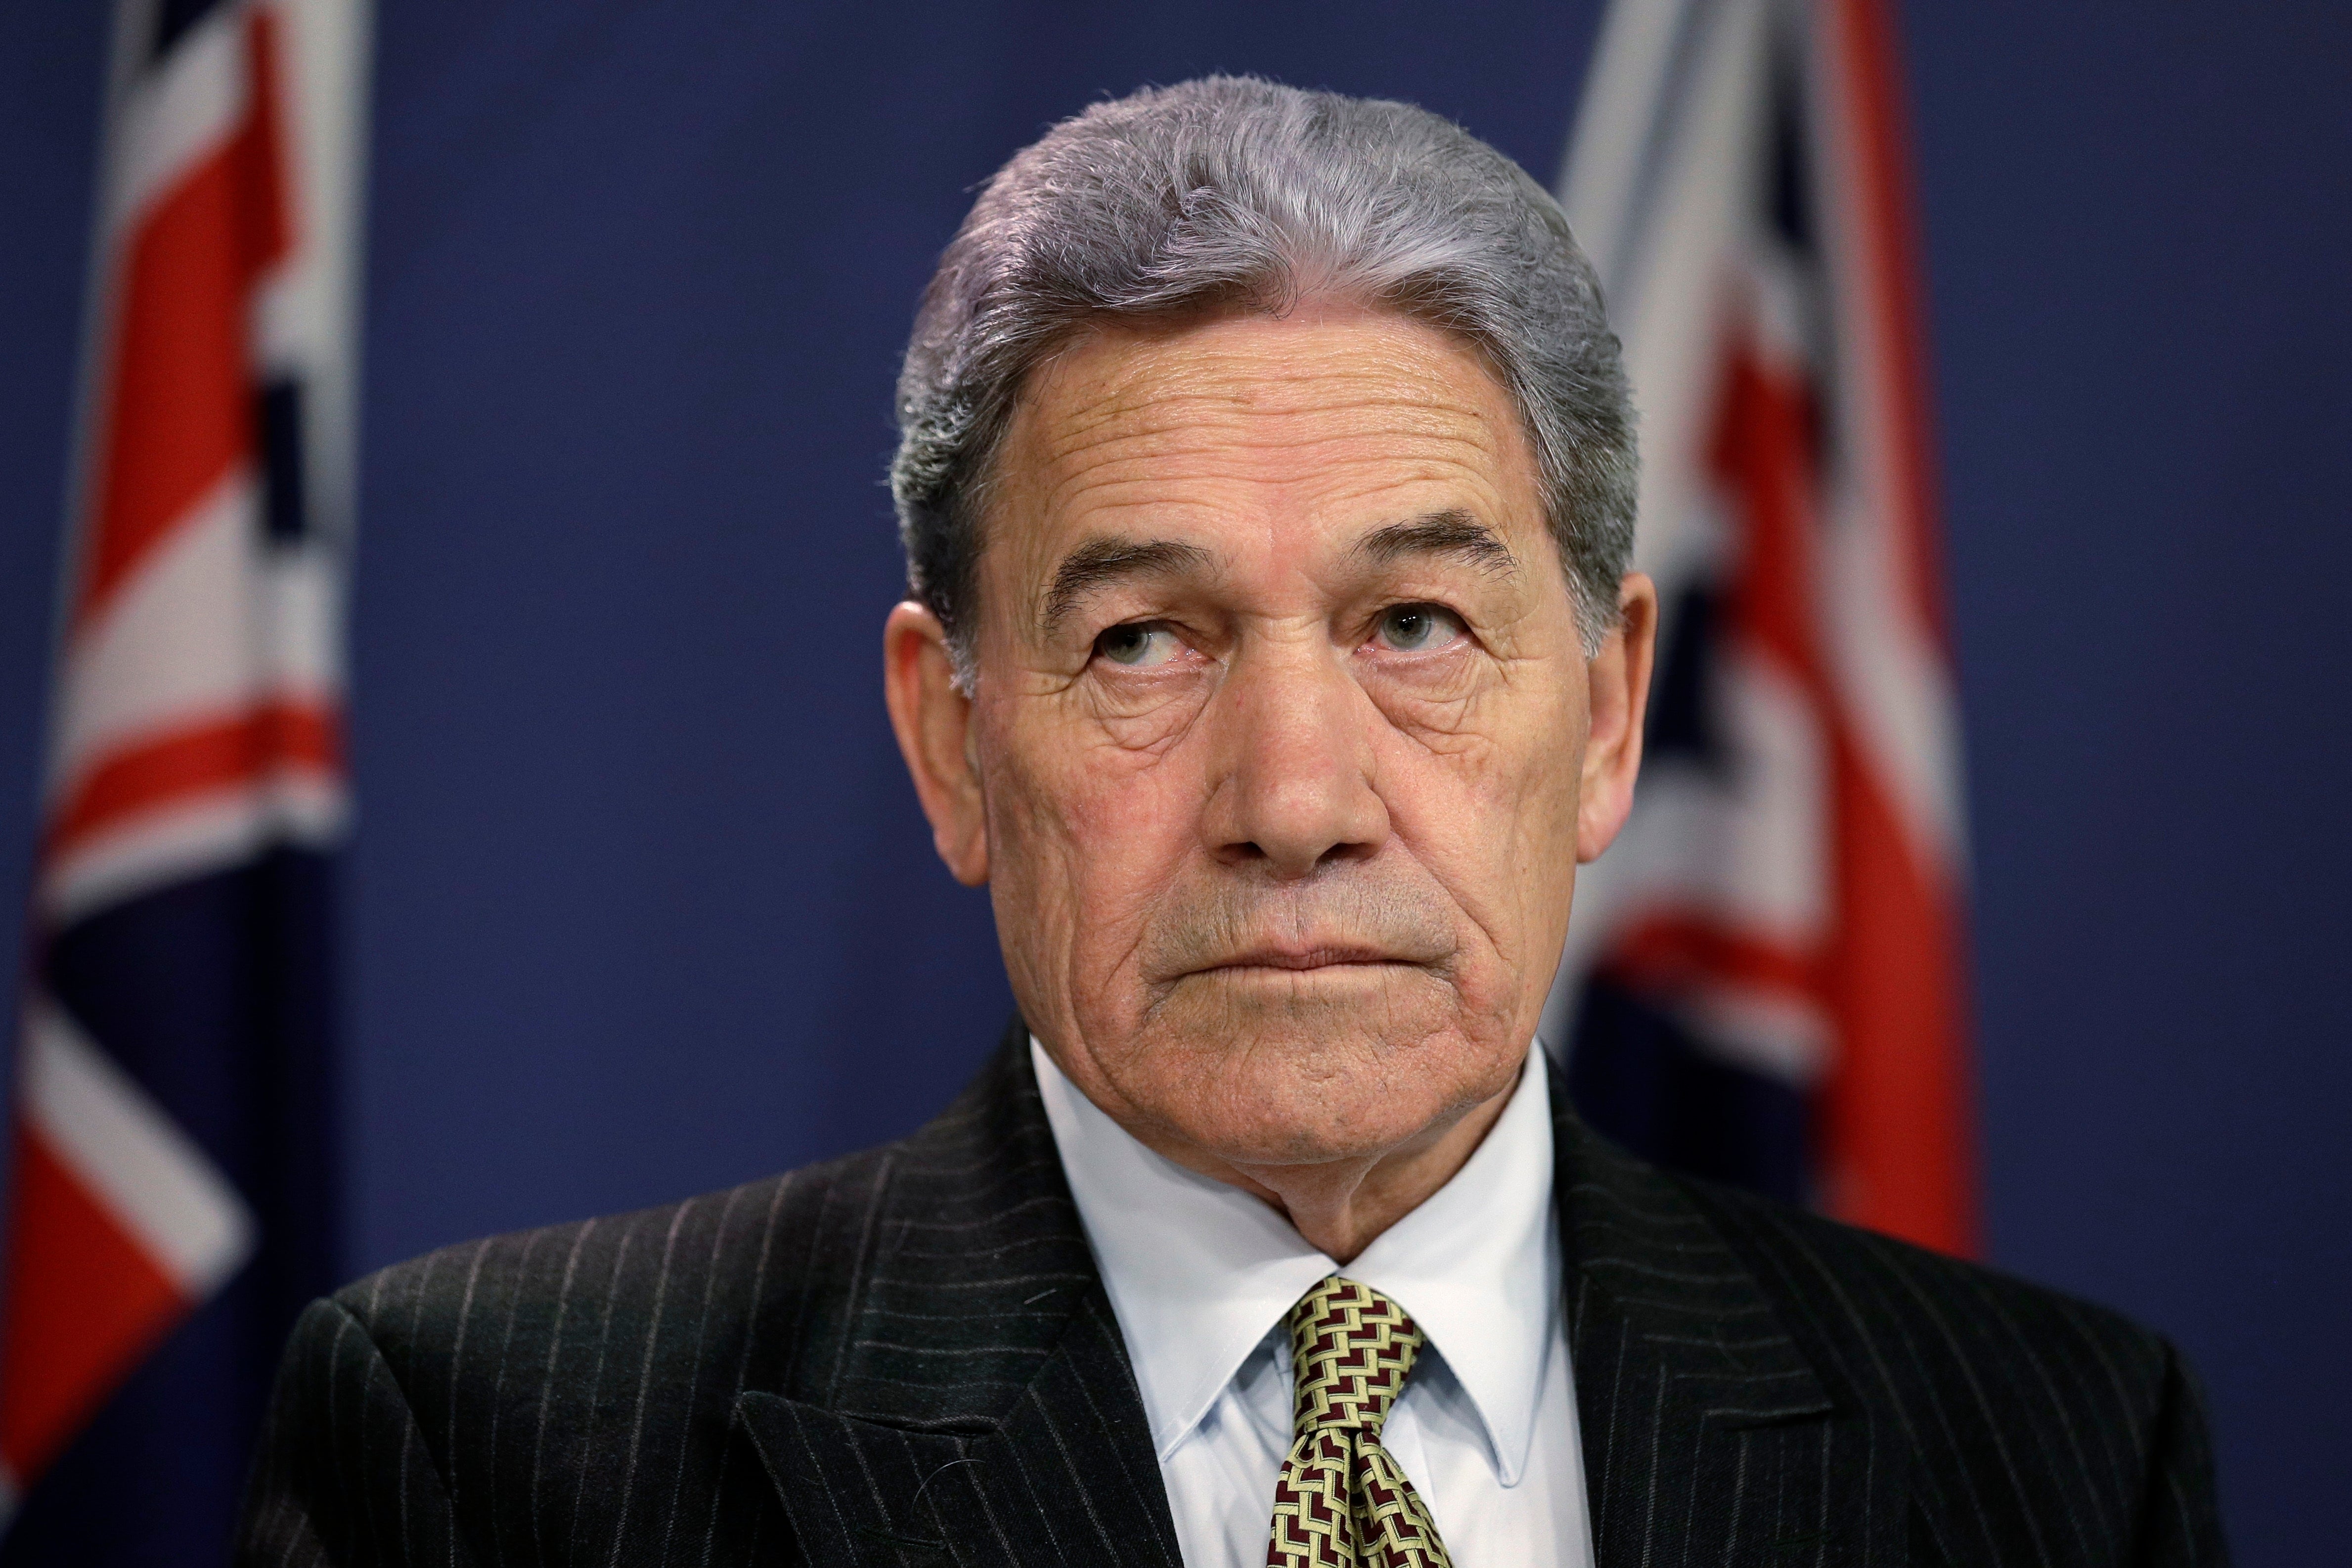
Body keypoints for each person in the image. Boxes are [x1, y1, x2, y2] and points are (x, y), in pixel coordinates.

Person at [235, 78, 2224, 1567]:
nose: (1292, 802)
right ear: (951, 740)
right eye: (1141, 640)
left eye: (1415, 625)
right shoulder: (494, 1455)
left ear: (1608, 712)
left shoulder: (2047, 1452)